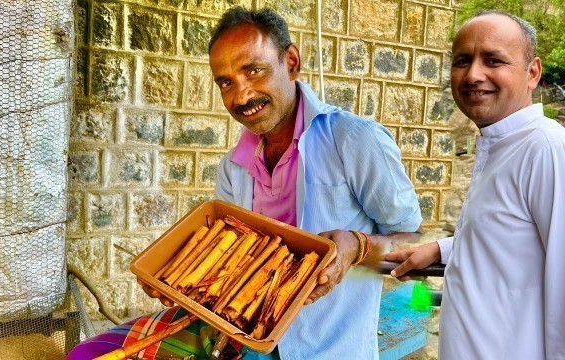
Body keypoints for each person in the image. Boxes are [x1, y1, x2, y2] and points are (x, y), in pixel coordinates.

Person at [205, 7, 422, 359]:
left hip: (333, 350)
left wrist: (357, 246)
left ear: (291, 61)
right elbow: (233, 256)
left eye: (253, 71)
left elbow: (416, 247)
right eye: (226, 82)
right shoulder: (233, 166)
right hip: (251, 346)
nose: (241, 96)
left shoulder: (353, 140)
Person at [384, 10, 565, 359]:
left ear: (532, 73)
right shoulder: (498, 146)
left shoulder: (546, 149)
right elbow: (511, 237)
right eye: (462, 60)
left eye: (493, 60)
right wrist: (442, 250)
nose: (473, 75)